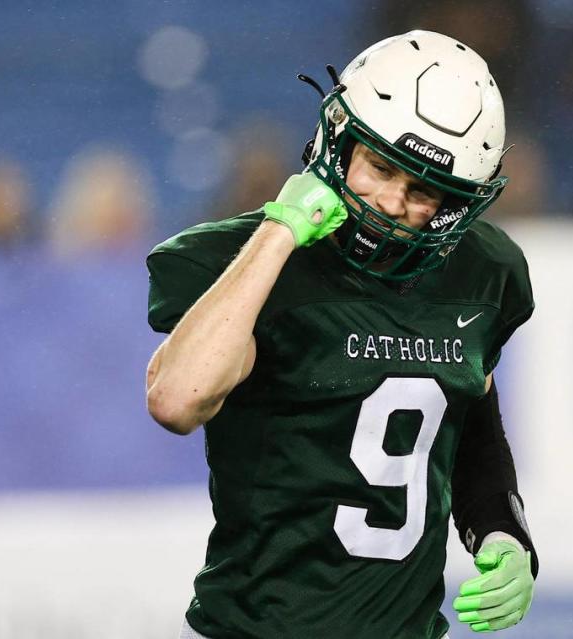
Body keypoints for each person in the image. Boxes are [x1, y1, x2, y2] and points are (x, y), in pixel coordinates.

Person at [145, 31, 538, 639]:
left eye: (422, 191)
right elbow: (178, 400)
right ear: (339, 139)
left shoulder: (486, 272)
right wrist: (279, 233)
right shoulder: (233, 259)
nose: (389, 202)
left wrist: (504, 531)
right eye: (379, 167)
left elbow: (472, 421)